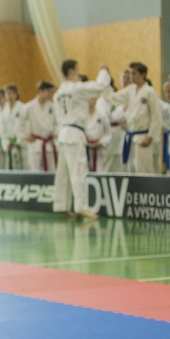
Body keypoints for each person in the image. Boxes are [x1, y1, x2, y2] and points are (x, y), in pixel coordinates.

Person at [52, 60, 111, 220]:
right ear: (71, 71)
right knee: (78, 170)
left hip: (63, 133)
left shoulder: (58, 94)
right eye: (77, 70)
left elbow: (58, 117)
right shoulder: (76, 89)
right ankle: (81, 206)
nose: (78, 74)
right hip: (74, 133)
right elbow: (99, 86)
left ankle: (61, 205)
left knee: (63, 172)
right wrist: (103, 71)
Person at [103, 62, 162, 174]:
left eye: (134, 73)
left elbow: (156, 116)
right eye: (130, 73)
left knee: (144, 170)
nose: (131, 76)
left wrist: (150, 136)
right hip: (130, 136)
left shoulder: (149, 91)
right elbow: (113, 97)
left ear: (143, 74)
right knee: (130, 170)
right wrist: (105, 78)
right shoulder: (130, 90)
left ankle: (145, 186)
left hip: (143, 136)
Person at [18, 81, 57, 172]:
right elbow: (19, 125)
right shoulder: (29, 107)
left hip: (49, 144)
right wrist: (25, 136)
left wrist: (55, 132)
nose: (50, 95)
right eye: (49, 92)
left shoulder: (52, 107)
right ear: (41, 91)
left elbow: (58, 123)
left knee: (51, 170)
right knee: (35, 171)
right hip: (35, 143)